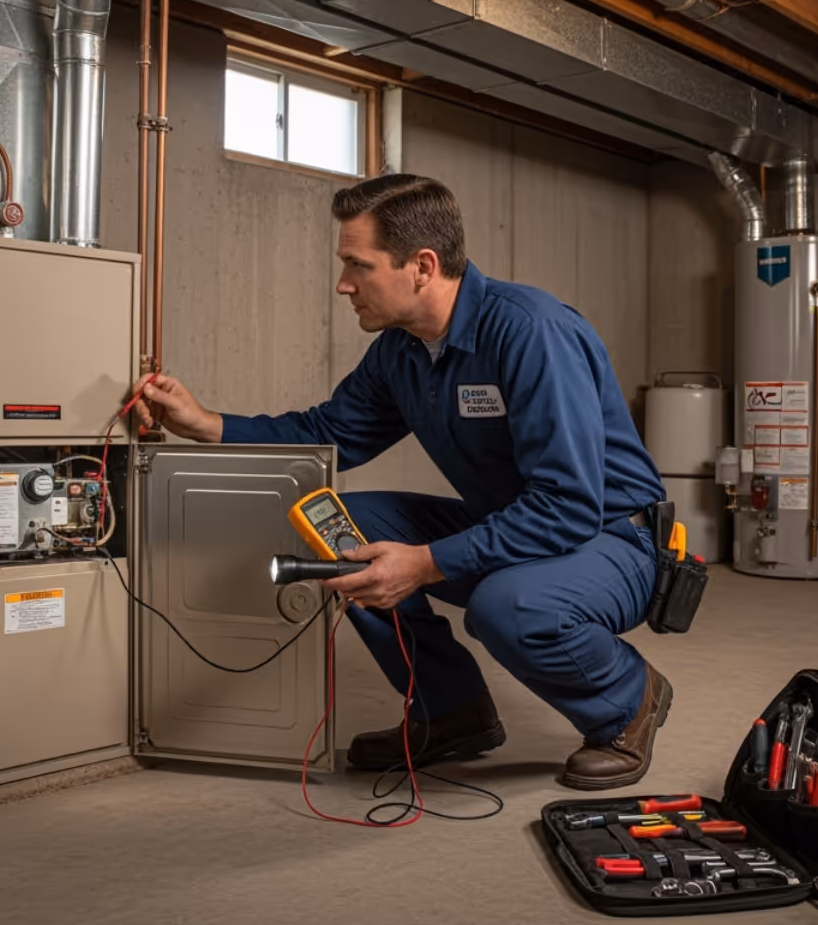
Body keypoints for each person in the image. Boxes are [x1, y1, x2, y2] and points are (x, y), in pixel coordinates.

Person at [135, 174, 671, 790]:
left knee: (508, 606)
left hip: (610, 540)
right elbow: (328, 431)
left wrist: (424, 563)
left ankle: (626, 700)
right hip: (515, 526)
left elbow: (569, 506)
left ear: (421, 266)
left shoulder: (530, 333)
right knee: (338, 528)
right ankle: (451, 712)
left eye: (357, 266)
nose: (344, 284)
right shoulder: (402, 351)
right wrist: (206, 425)